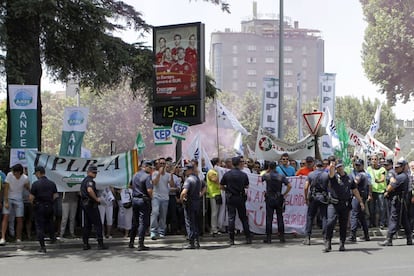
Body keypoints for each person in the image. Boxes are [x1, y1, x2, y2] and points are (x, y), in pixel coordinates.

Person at [325, 160, 364, 252]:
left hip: (345, 204)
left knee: (343, 224)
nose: (340, 168)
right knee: (330, 222)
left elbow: (354, 190)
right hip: (334, 203)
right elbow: (330, 174)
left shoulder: (349, 177)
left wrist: (360, 201)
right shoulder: (334, 176)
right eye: (337, 167)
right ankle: (328, 242)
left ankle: (342, 243)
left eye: (340, 166)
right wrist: (331, 167)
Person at [379, 160, 412, 246]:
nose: (396, 169)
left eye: (398, 167)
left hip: (398, 200)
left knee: (394, 218)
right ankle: (409, 238)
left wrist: (386, 190)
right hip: (402, 200)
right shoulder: (402, 176)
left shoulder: (401, 177)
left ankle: (389, 239)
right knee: (404, 220)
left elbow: (390, 187)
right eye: (395, 167)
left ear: (403, 167)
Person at [220, 156, 252, 245]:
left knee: (231, 218)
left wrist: (228, 190)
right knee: (243, 218)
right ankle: (248, 237)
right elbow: (247, 186)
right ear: (239, 163)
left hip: (231, 198)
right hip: (240, 198)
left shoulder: (227, 174)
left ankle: (231, 239)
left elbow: (221, 186)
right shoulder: (243, 174)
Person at [29, 166, 58, 253]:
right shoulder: (52, 183)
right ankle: (53, 238)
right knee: (50, 223)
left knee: (39, 226)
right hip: (49, 206)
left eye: (36, 174)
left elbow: (31, 198)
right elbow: (55, 196)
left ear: (38, 173)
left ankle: (42, 247)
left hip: (39, 206)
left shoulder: (35, 184)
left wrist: (33, 205)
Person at [262, 161, 292, 243]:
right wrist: (284, 194)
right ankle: (282, 237)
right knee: (280, 217)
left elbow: (261, 177)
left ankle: (268, 238)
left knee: (269, 218)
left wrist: (267, 171)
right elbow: (289, 185)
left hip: (269, 198)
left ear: (269, 167)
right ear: (276, 167)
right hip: (279, 198)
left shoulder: (267, 175)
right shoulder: (281, 176)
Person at [80, 164, 108, 250]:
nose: (95, 174)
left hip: (85, 204)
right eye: (93, 172)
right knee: (98, 224)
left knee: (87, 225)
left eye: (96, 172)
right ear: (88, 172)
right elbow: (89, 190)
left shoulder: (84, 180)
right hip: (91, 204)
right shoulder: (90, 181)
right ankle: (100, 243)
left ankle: (85, 244)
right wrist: (96, 199)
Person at [0, 164, 30, 245]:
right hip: (9, 198)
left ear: (19, 172)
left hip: (19, 199)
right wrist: (6, 201)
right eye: (13, 172)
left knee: (19, 218)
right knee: (5, 216)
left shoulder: (25, 178)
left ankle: (18, 238)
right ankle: (3, 238)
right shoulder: (9, 175)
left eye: (15, 172)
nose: (14, 174)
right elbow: (6, 188)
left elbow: (28, 187)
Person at [303, 160, 329, 245]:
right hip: (323, 197)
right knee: (324, 217)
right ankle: (325, 238)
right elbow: (330, 186)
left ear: (315, 166)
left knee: (310, 216)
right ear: (323, 166)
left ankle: (307, 238)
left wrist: (306, 197)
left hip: (313, 197)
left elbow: (306, 187)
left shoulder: (310, 174)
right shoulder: (326, 175)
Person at [129, 160, 153, 251]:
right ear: (146, 166)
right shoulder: (147, 177)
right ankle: (140, 243)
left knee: (135, 222)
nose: (151, 170)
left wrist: (137, 191)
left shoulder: (135, 175)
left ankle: (131, 242)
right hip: (143, 200)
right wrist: (152, 198)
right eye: (150, 168)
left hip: (135, 199)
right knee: (143, 222)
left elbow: (130, 185)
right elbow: (149, 190)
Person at [150, 157, 174, 240]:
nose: (162, 165)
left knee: (163, 216)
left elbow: (171, 185)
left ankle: (161, 231)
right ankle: (153, 231)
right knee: (155, 213)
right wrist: (159, 174)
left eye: (164, 163)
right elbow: (154, 183)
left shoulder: (167, 175)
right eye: (161, 163)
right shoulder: (155, 173)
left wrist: (171, 175)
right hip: (156, 196)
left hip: (165, 197)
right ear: (158, 164)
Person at [348, 159, 371, 242]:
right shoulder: (366, 174)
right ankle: (366, 235)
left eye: (358, 165)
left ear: (362, 165)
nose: (357, 167)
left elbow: (355, 182)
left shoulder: (360, 175)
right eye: (356, 165)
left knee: (354, 215)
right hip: (362, 196)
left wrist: (347, 182)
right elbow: (369, 185)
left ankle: (352, 235)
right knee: (361, 216)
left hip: (358, 196)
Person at [180, 164, 202, 249]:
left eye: (186, 170)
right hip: (197, 203)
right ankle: (197, 241)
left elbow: (184, 192)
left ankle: (191, 242)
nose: (185, 172)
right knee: (195, 223)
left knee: (189, 222)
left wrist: (181, 200)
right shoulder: (197, 179)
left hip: (190, 203)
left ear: (190, 170)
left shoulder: (189, 180)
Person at [366, 154, 387, 229]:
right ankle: (372, 223)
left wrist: (377, 180)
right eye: (372, 159)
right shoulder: (368, 169)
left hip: (380, 191)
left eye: (375, 159)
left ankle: (382, 223)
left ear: (378, 160)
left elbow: (382, 179)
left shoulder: (382, 169)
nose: (374, 161)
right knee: (372, 208)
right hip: (372, 191)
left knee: (381, 207)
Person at [206, 157, 222, 237]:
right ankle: (213, 229)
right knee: (214, 212)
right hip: (213, 194)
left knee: (217, 212)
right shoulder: (211, 172)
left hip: (218, 193)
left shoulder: (216, 171)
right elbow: (215, 179)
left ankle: (216, 227)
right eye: (220, 163)